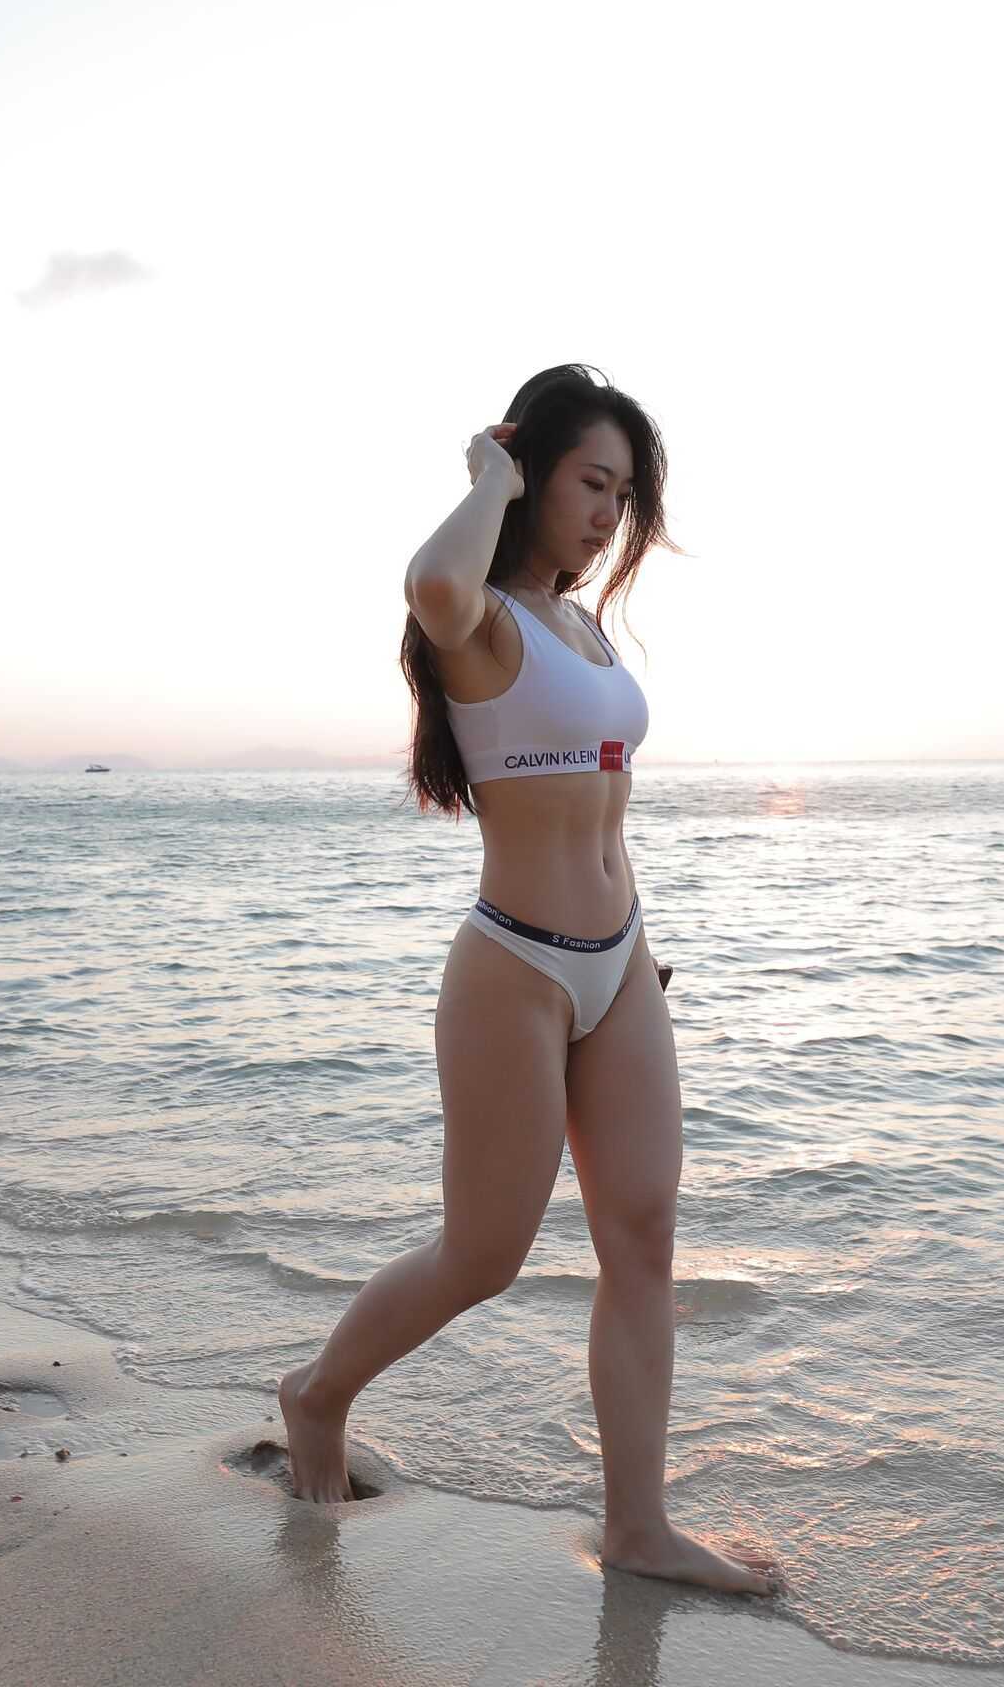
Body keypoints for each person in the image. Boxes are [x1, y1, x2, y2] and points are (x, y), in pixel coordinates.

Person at [276, 363, 781, 1597]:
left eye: (625, 494)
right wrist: (485, 479)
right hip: (515, 967)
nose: (609, 514)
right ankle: (317, 1395)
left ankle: (639, 1529)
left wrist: (637, 955)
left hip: (623, 962)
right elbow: (432, 585)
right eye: (590, 483)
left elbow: (606, 810)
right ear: (534, 475)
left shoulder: (582, 626)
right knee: (484, 1255)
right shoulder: (485, 619)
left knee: (644, 1238)